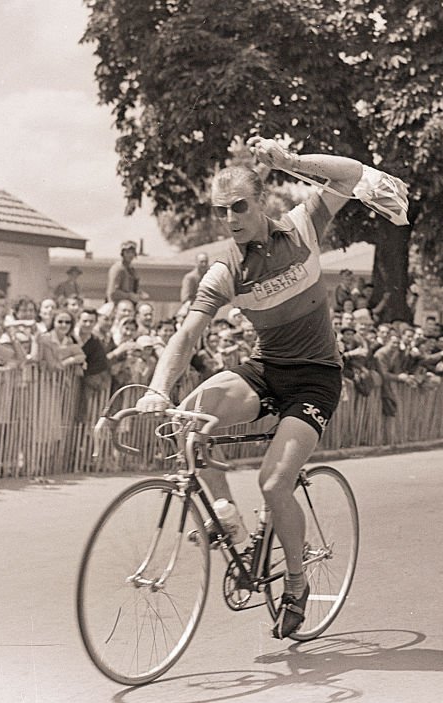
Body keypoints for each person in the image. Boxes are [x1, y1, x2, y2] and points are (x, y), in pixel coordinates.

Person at [135, 137, 369, 639]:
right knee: (189, 417)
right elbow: (188, 333)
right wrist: (158, 388)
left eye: (240, 206)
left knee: (272, 482)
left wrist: (291, 162)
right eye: (222, 211)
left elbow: (351, 174)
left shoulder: (303, 226)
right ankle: (229, 522)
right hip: (267, 368)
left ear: (261, 201)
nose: (232, 218)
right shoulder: (225, 271)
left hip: (316, 377)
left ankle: (298, 583)